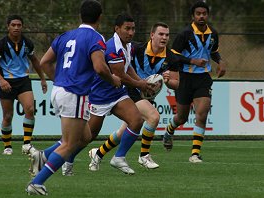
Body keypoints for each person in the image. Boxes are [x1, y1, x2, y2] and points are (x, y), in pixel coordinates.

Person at [25, 0, 121, 195]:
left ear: (81, 16)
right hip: (74, 94)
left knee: (84, 137)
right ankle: (37, 182)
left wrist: (60, 80)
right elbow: (100, 67)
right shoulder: (96, 38)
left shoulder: (66, 35)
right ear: (100, 18)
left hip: (60, 90)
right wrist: (113, 80)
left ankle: (43, 156)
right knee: (69, 144)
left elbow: (45, 62)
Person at [88, 22, 207, 170]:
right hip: (129, 90)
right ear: (152, 35)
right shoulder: (137, 48)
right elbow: (122, 68)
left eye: (167, 35)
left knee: (123, 132)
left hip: (147, 95)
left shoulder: (171, 58)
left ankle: (97, 154)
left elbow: (176, 84)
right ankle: (144, 156)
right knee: (154, 116)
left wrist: (169, 80)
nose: (164, 37)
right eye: (161, 34)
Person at [162, 1, 226, 163]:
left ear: (208, 15)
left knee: (202, 114)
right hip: (185, 78)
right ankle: (169, 130)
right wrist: (192, 61)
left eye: (204, 13)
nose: (201, 16)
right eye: (198, 13)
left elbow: (214, 51)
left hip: (203, 79)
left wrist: (220, 62)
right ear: (193, 16)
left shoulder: (213, 33)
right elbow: (174, 55)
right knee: (182, 118)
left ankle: (195, 154)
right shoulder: (185, 34)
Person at [0, 15, 47, 156]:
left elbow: (35, 60)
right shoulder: (0, 44)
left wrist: (43, 79)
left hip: (23, 80)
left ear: (22, 27)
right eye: (13, 25)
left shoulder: (27, 43)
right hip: (6, 82)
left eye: (19, 25)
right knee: (8, 116)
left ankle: (27, 144)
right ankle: (7, 147)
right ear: (8, 26)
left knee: (30, 109)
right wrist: (1, 80)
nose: (16, 27)